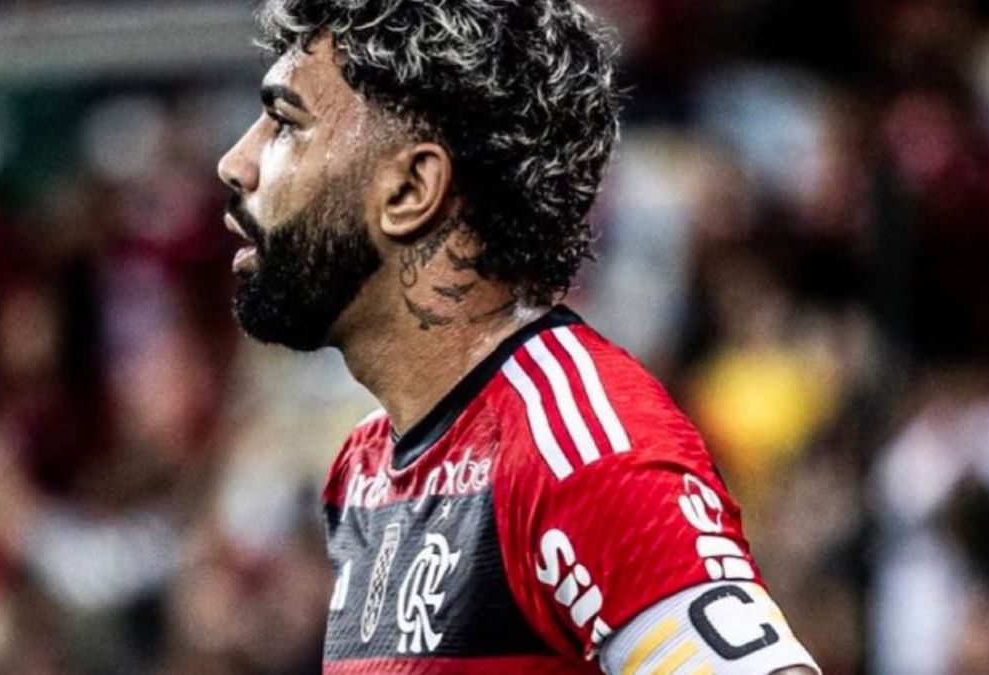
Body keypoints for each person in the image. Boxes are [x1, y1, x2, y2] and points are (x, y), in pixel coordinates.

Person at [216, 1, 821, 673]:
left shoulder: (580, 453)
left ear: (411, 189)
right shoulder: (362, 468)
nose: (235, 164)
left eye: (286, 124)